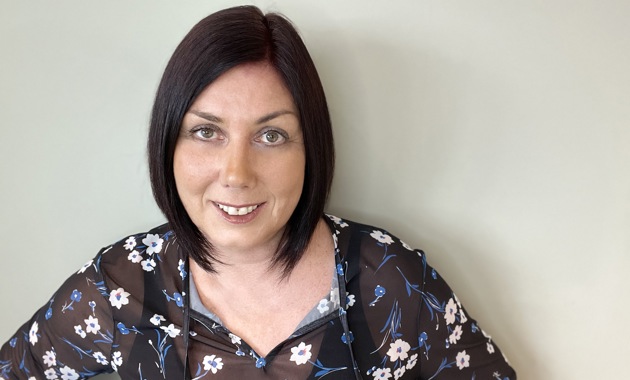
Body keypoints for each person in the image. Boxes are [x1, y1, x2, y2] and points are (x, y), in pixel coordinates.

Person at [0, 5, 516, 380]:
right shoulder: (121, 287)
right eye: (206, 131)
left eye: (271, 136)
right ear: (168, 143)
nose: (237, 173)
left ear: (310, 147)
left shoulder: (390, 281)